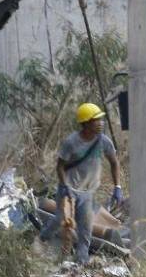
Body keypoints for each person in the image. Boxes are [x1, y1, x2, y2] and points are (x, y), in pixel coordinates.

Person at [40, 102, 122, 265]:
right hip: (69, 189)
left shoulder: (104, 142)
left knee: (85, 230)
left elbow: (114, 163)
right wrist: (64, 186)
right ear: (85, 124)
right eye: (96, 120)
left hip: (87, 193)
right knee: (61, 219)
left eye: (101, 119)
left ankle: (80, 263)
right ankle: (42, 239)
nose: (101, 123)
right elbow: (60, 166)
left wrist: (117, 187)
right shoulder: (71, 142)